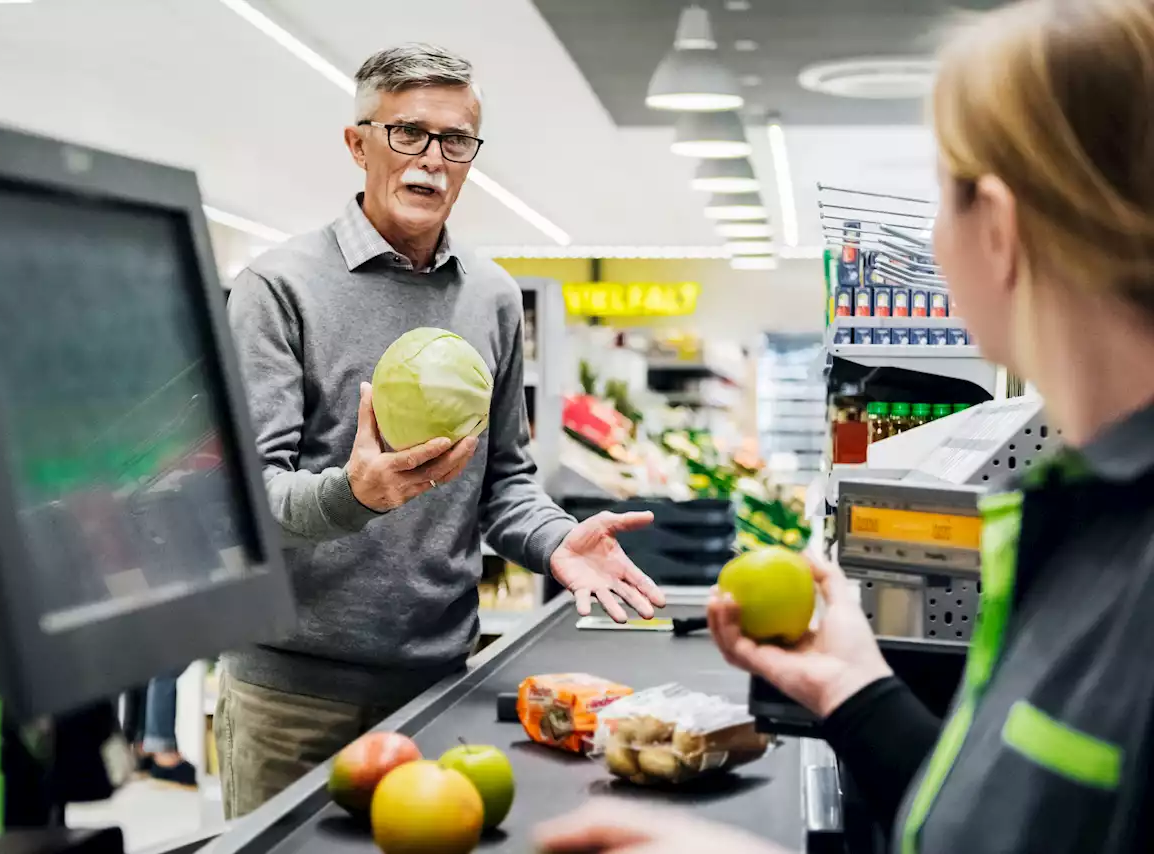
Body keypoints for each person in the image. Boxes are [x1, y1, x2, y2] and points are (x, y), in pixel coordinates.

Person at [537, 0, 1154, 851]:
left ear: (1001, 230)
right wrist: (853, 688)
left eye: (944, 196)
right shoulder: (1074, 514)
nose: (934, 244)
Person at [218, 42, 665, 818]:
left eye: (455, 141)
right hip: (294, 697)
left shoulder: (491, 297)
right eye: (408, 134)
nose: (432, 160)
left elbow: (505, 480)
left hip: (438, 682)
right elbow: (246, 500)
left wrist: (555, 539)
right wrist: (354, 494)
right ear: (358, 143)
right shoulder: (276, 289)